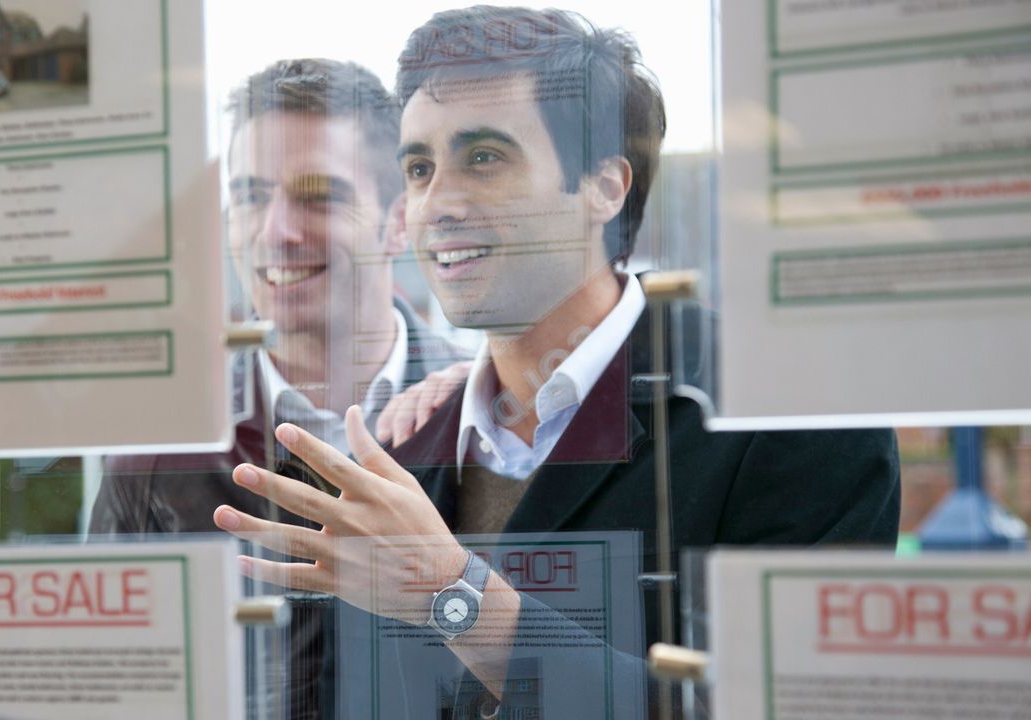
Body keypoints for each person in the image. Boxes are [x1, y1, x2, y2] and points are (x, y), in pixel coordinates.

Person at [211, 7, 900, 717]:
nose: (436, 203)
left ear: (605, 186)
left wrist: (457, 597)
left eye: (484, 158)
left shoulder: (785, 410)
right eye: (419, 167)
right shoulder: (402, 446)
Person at [89, 58, 469, 719]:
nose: (276, 232)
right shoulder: (160, 448)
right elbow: (103, 687)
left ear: (397, 220)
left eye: (319, 194)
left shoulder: (486, 421)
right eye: (251, 195)